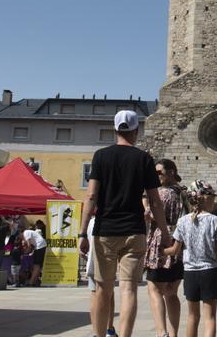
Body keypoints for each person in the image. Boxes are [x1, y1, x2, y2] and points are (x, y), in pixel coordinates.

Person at [79, 110, 172, 337]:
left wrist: (82, 232)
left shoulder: (100, 156)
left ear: (115, 130)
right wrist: (164, 232)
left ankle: (100, 335)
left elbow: (91, 196)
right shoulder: (144, 159)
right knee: (129, 289)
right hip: (134, 231)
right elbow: (155, 202)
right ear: (136, 131)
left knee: (103, 288)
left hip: (105, 230)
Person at [163, 180, 217, 337]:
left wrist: (160, 251)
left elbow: (174, 250)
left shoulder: (182, 221)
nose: (214, 200)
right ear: (204, 198)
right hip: (209, 272)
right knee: (210, 317)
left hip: (190, 273)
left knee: (192, 316)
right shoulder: (216, 221)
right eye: (212, 197)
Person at [143, 159, 185, 337]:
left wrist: (145, 205)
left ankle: (162, 333)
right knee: (172, 292)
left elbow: (150, 215)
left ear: (171, 173)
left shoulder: (162, 194)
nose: (156, 175)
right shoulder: (182, 194)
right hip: (179, 244)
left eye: (159, 172)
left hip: (161, 242)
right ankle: (173, 333)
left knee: (154, 288)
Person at [87, 211, 118, 337]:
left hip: (93, 259)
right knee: (108, 294)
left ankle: (97, 331)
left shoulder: (91, 222)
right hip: (104, 260)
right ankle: (109, 329)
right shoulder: (109, 221)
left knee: (95, 294)